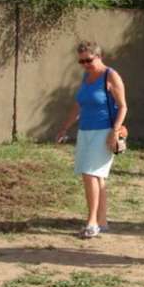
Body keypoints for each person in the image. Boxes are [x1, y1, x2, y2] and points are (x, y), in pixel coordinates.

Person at [55, 41, 128, 238]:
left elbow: (123, 106)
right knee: (97, 177)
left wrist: (114, 131)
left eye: (88, 60)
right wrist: (64, 127)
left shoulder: (110, 75)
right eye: (81, 61)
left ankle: (92, 222)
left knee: (90, 174)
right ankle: (101, 221)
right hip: (85, 131)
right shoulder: (87, 76)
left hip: (104, 131)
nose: (85, 64)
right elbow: (79, 106)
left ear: (99, 56)